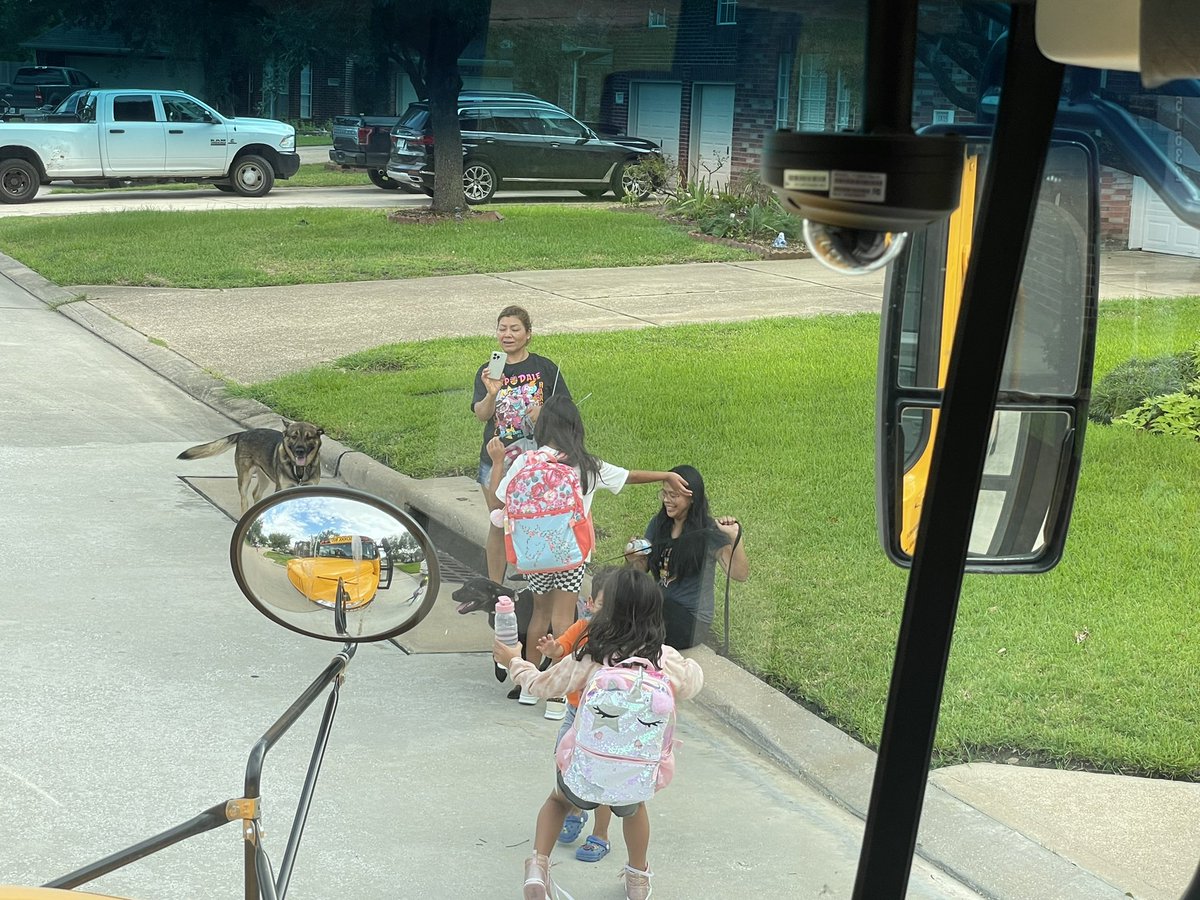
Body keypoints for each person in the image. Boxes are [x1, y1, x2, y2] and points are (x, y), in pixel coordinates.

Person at [494, 567, 704, 900]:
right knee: (634, 811)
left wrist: (515, 660)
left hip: (586, 769)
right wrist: (689, 666)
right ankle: (637, 879)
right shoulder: (663, 658)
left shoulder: (590, 654)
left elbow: (540, 685)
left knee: (557, 800)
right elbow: (692, 683)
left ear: (604, 610)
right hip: (634, 773)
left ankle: (537, 869)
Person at [489, 394, 689, 715]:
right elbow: (630, 475)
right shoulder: (586, 464)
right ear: (576, 427)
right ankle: (557, 697)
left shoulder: (527, 461)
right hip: (570, 555)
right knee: (563, 618)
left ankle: (526, 684)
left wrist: (498, 462)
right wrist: (665, 475)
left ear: (542, 426)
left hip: (534, 554)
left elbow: (499, 500)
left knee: (539, 613)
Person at [471, 305, 569, 585]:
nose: (508, 334)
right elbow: (481, 414)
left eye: (515, 329)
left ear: (528, 334)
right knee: (498, 521)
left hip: (537, 461)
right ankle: (494, 585)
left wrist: (544, 413)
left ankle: (535, 582)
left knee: (534, 520)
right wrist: (491, 393)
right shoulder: (488, 370)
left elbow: (566, 408)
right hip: (497, 457)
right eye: (503, 328)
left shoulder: (544, 368)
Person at [535, 566, 618, 862]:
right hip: (574, 713)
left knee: (603, 777)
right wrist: (553, 648)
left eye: (617, 606)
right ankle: (573, 809)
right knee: (567, 764)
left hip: (606, 720)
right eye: (604, 604)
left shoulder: (625, 638)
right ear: (592, 602)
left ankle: (601, 835)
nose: (608, 612)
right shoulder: (582, 627)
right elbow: (562, 650)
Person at [627, 464, 748, 650]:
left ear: (692, 498)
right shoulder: (658, 524)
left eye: (674, 496)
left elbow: (739, 574)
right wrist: (634, 558)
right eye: (664, 494)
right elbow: (641, 571)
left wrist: (734, 537)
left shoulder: (707, 533)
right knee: (624, 590)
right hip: (661, 607)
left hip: (692, 622)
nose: (667, 500)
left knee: (643, 617)